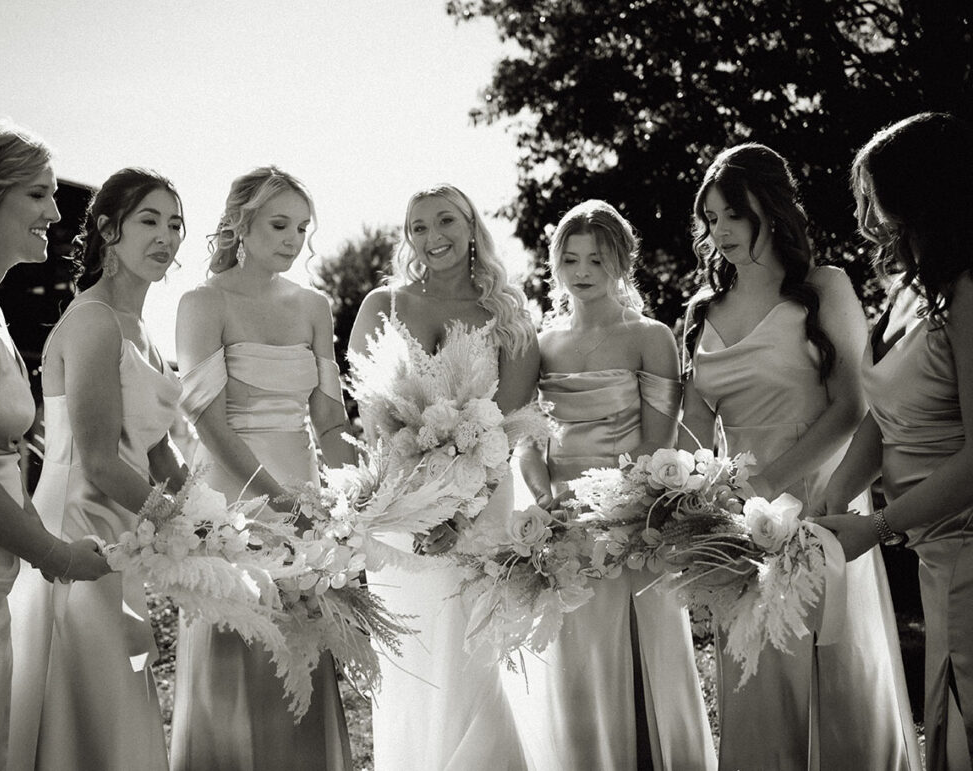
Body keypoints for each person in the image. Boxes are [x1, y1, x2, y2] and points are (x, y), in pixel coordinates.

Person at [680, 143, 920, 770]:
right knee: (752, 674)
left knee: (831, 665)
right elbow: (694, 430)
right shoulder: (700, 312)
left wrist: (769, 484)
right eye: (710, 218)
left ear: (772, 207)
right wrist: (694, 502)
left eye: (734, 213)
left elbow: (851, 406)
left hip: (821, 492)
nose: (720, 231)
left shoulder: (825, 287)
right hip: (737, 515)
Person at [508, 199, 716, 770]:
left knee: (640, 650)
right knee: (577, 658)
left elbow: (659, 440)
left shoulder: (650, 336)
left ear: (621, 261)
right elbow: (525, 437)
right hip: (561, 525)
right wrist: (544, 494)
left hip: (630, 518)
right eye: (570, 259)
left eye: (596, 259)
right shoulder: (542, 344)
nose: (582, 272)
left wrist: (615, 508)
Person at [348, 183, 538, 770]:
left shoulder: (508, 315)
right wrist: (406, 499)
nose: (434, 238)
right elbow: (369, 413)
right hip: (401, 506)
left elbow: (507, 428)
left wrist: (461, 514)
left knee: (468, 656)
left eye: (446, 221)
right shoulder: (382, 304)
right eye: (419, 227)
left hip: (481, 508)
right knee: (412, 658)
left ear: (472, 225)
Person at [170, 166, 353, 770]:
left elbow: (329, 420)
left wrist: (364, 495)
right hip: (231, 506)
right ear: (240, 224)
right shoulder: (203, 303)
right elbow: (208, 422)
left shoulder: (314, 307)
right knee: (238, 661)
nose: (293, 239)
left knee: (301, 663)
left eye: (302, 227)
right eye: (279, 224)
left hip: (304, 505)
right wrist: (277, 500)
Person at [7, 168, 187, 771]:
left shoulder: (147, 332)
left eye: (175, 223)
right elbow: (100, 458)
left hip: (126, 531)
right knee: (87, 703)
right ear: (108, 230)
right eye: (149, 220)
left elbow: (158, 450)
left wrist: (225, 519)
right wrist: (185, 528)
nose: (166, 235)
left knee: (119, 701)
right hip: (77, 532)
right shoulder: (92, 321)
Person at [0, 119, 109, 771]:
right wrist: (55, 554)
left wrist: (53, 546)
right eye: (38, 194)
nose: (56, 210)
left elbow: (6, 459)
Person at [818, 112, 973, 771]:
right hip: (936, 553)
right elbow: (884, 414)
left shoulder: (966, 292)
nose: (868, 219)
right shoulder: (910, 290)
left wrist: (876, 525)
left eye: (875, 199)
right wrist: (830, 496)